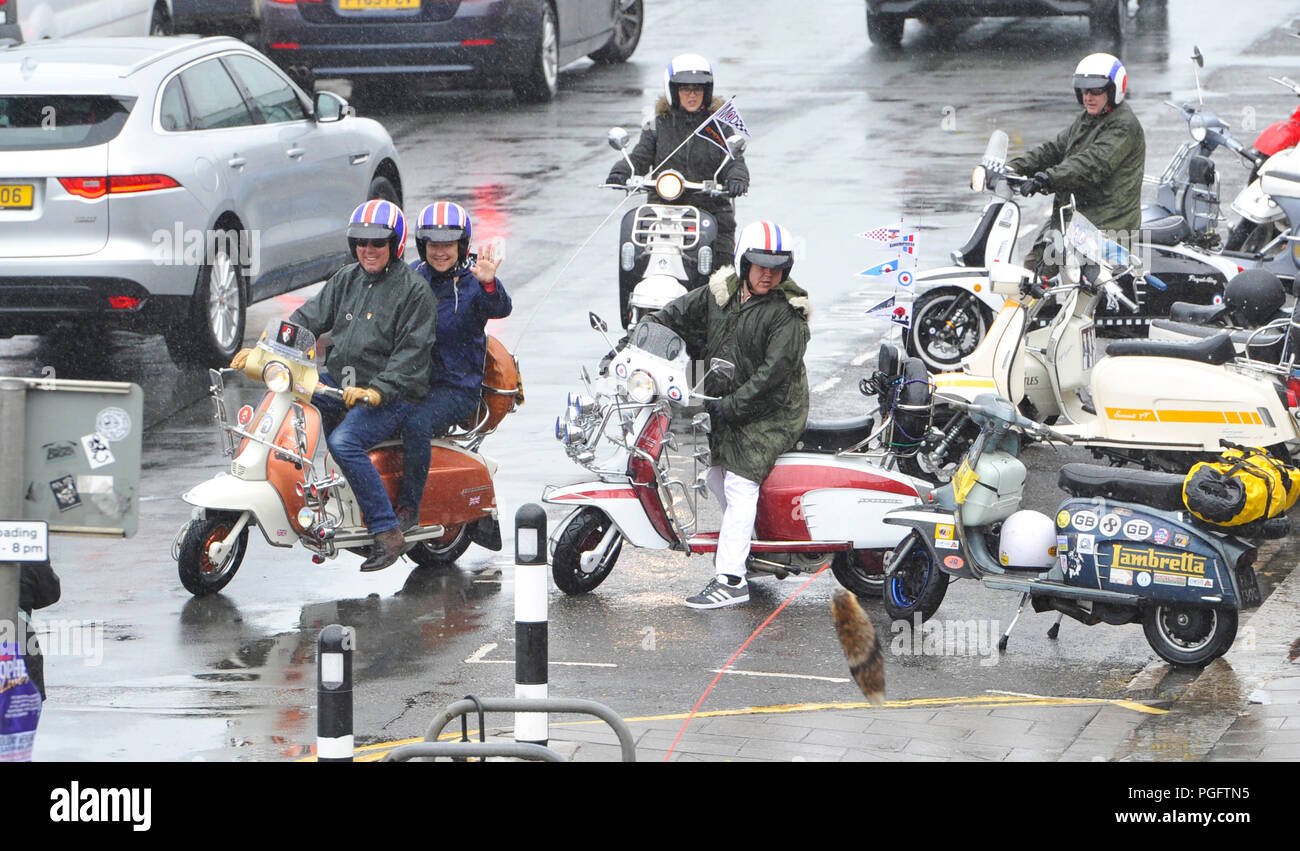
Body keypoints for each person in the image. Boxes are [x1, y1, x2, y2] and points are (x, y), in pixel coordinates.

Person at [231, 199, 436, 572]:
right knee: (284, 397)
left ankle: (387, 532)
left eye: (377, 242)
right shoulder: (347, 278)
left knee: (344, 442)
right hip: (342, 380)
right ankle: (310, 496)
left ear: (396, 243)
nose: (367, 249)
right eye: (360, 241)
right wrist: (263, 349)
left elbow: (411, 356)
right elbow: (306, 318)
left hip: (392, 393)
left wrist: (377, 391)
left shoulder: (414, 292)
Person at [642, 220, 811, 609]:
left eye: (776, 266)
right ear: (742, 262)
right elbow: (674, 315)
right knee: (714, 476)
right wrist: (639, 336)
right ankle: (752, 549)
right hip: (728, 405)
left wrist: (728, 407)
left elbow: (772, 378)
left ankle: (731, 579)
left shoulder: (788, 315)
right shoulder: (719, 295)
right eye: (759, 263)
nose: (768, 273)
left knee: (739, 483)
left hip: (773, 411)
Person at [606, 53, 750, 325]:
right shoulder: (659, 126)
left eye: (698, 89)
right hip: (663, 213)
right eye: (685, 88)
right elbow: (639, 157)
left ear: (707, 91)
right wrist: (622, 170)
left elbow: (735, 161)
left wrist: (736, 179)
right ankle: (631, 317)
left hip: (709, 211)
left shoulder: (719, 126)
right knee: (633, 254)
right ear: (674, 91)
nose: (692, 95)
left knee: (721, 280)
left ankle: (721, 330)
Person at [395, 201, 513, 532]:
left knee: (416, 424)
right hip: (414, 382)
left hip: (456, 389)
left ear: (461, 245)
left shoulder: (475, 277)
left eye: (448, 244)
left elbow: (500, 308)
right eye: (433, 244)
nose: (440, 252)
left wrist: (490, 284)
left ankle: (408, 509)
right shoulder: (413, 275)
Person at [1008, 52, 1145, 277]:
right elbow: (1054, 149)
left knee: (1068, 283)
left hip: (1104, 223)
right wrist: (1014, 167)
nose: (1088, 97)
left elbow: (1091, 165)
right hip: (1075, 215)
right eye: (1084, 90)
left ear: (1113, 90)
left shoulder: (1123, 126)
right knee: (1037, 269)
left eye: (1096, 91)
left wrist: (1047, 178)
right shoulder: (1088, 118)